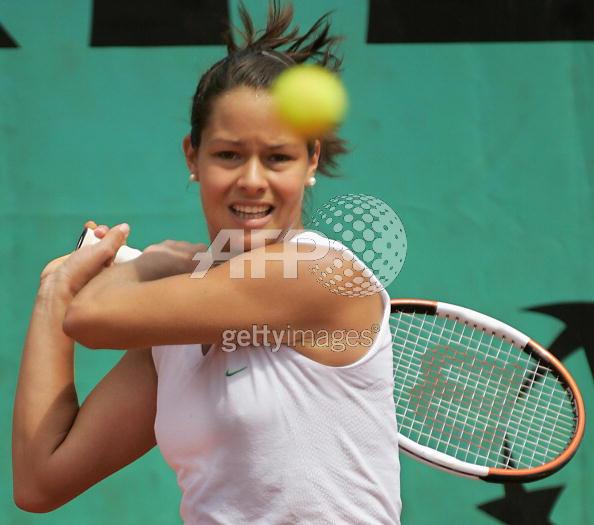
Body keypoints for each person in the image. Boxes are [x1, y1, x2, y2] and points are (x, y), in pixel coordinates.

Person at [12, 2, 402, 523]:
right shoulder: (178, 328)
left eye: (278, 157)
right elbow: (41, 480)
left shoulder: (321, 275)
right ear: (192, 157)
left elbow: (91, 318)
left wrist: (154, 262)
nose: (253, 180)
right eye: (229, 155)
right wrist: (53, 290)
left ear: (312, 161)